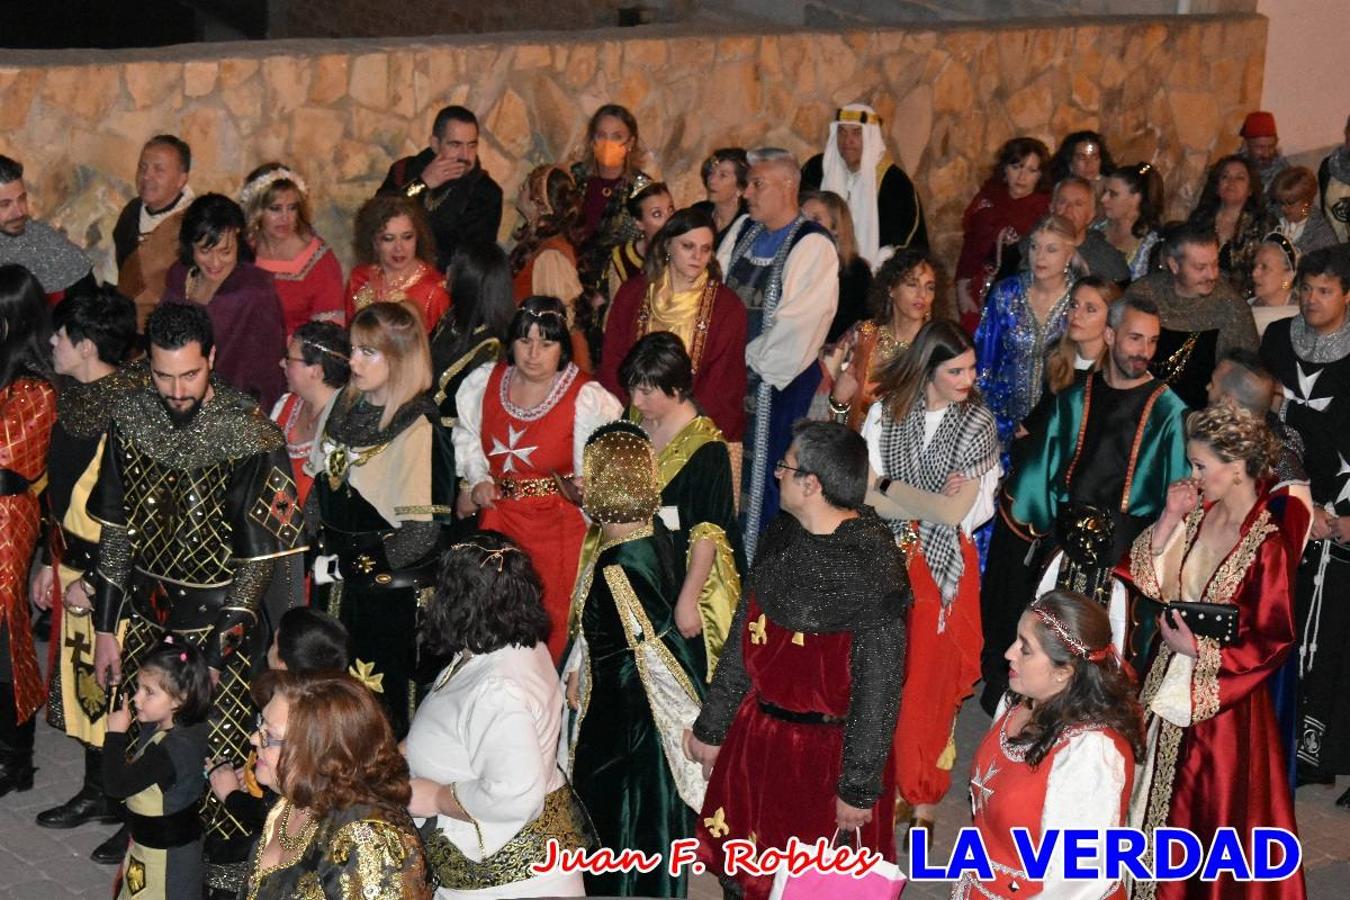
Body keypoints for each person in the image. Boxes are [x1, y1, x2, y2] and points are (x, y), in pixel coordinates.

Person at [87, 302, 305, 865]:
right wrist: (106, 629)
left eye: (190, 373)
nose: (177, 389)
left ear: (211, 357)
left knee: (219, 758)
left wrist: (215, 655)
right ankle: (148, 835)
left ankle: (222, 873)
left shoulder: (251, 435)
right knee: (146, 742)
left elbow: (257, 564)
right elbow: (116, 532)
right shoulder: (131, 415)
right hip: (146, 619)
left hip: (219, 630)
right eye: (163, 375)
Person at [685, 421, 907, 900]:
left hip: (825, 762)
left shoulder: (873, 569)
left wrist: (858, 787)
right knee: (741, 881)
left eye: (785, 466)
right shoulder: (782, 537)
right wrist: (713, 726)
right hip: (757, 740)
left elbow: (879, 690)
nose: (777, 475)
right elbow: (743, 642)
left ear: (811, 484)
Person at [1119, 403, 1306, 900]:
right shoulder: (1199, 512)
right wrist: (1168, 518)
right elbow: (1150, 580)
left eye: (1201, 466)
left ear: (1239, 466)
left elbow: (1273, 640)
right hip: (1166, 681)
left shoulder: (1268, 544)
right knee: (1148, 797)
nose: (1193, 476)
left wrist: (1200, 651)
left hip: (1222, 709)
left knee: (1204, 814)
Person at [979, 295, 1190, 711]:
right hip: (1065, 555)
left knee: (1109, 665)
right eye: (1134, 338)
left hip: (1126, 562)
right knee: (1050, 648)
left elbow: (1176, 496)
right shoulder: (1075, 398)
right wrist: (1034, 522)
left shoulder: (1169, 412)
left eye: (1152, 341)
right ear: (1110, 336)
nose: (1143, 351)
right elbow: (1042, 473)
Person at [863, 322, 1001, 836]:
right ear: (928, 369)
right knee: (881, 674)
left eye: (970, 368)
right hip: (883, 556)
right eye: (956, 370)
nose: (968, 378)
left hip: (943, 569)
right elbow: (863, 494)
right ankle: (878, 786)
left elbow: (958, 513)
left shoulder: (978, 423)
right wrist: (925, 500)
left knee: (930, 683)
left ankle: (921, 792)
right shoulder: (885, 411)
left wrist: (890, 486)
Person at [561, 421, 707, 898]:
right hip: (623, 711)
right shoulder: (651, 533)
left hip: (624, 728)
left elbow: (657, 653)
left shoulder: (619, 564)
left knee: (622, 835)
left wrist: (693, 723)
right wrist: (582, 664)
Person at [406, 534, 588, 898]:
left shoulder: (499, 689)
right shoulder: (494, 646)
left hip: (509, 880)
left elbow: (515, 796)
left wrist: (435, 798)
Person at [453, 296, 622, 662]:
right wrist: (477, 478)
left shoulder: (586, 398)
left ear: (562, 347)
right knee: (493, 615)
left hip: (559, 530)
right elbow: (468, 438)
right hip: (499, 523)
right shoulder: (484, 383)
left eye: (546, 343)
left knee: (552, 620)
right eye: (524, 341)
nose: (533, 353)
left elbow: (596, 477)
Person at [310, 302, 449, 738]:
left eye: (368, 352)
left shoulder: (419, 427)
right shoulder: (340, 405)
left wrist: (349, 566)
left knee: (377, 713)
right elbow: (322, 487)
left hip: (387, 599)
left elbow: (420, 534)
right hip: (333, 586)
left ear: (400, 357)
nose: (352, 362)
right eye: (353, 349)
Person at [31, 286, 138, 836]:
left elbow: (136, 519)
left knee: (121, 688)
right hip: (70, 564)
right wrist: (51, 563)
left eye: (62, 335)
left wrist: (97, 583)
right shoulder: (70, 395)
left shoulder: (131, 414)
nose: (52, 341)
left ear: (88, 346)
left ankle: (129, 805)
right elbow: (61, 495)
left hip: (115, 578)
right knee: (80, 693)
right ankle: (98, 793)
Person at [957, 591, 1143, 900]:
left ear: (1064, 672)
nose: (1008, 654)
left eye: (1025, 649)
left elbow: (1079, 881)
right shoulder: (1016, 703)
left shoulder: (1089, 752)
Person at [1260, 246, 1350, 803]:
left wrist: (1337, 515)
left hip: (1342, 511)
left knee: (1336, 636)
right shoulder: (1275, 340)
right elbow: (1264, 425)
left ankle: (1332, 750)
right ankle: (1282, 744)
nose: (1311, 300)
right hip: (1290, 502)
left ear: (1347, 296)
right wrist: (1297, 503)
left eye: (1324, 291)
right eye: (1307, 289)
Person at [718, 147, 838, 558]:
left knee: (766, 494)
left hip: (778, 393)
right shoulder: (743, 233)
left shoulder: (812, 246)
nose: (746, 192)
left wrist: (741, 360)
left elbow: (800, 324)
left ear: (788, 185)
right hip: (731, 388)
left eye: (757, 183)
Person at [620, 334, 745, 678]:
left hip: (678, 571)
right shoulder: (632, 419)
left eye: (647, 391)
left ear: (675, 389)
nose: (636, 399)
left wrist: (687, 601)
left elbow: (709, 534)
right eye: (633, 388)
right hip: (634, 562)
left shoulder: (708, 450)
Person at [240, 673, 430, 898]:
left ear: (318, 753)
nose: (253, 738)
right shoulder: (293, 801)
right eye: (261, 723)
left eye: (268, 734)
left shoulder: (369, 840)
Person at [204, 609, 352, 898]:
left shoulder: (296, 720)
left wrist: (231, 795)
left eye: (274, 642)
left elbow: (283, 817)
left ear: (282, 661)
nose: (255, 738)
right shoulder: (335, 707)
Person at [600, 207, 748, 441]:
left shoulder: (727, 308)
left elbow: (723, 384)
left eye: (706, 249)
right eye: (688, 246)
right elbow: (613, 361)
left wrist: (677, 424)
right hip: (634, 420)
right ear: (668, 245)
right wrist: (630, 416)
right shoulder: (633, 294)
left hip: (694, 431)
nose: (697, 257)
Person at [0, 265, 56, 799]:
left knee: (6, 636)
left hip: (8, 521)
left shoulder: (35, 388)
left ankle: (16, 758)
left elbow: (8, 465)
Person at [103, 639, 211, 900]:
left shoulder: (171, 750)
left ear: (180, 699)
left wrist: (115, 735)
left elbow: (116, 786)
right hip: (149, 848)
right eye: (139, 687)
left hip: (167, 861)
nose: (137, 698)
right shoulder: (172, 726)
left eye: (149, 692)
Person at [160, 192, 288, 409]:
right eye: (205, 251)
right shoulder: (178, 277)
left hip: (231, 413)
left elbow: (268, 376)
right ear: (190, 246)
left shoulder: (255, 292)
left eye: (225, 251)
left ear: (239, 240)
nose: (215, 262)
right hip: (173, 399)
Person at [1124, 223, 1259, 408]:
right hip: (1139, 407)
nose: (1211, 274)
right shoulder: (1143, 295)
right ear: (1174, 265)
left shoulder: (1231, 308)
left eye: (1214, 264)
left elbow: (1242, 383)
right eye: (1200, 267)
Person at [976, 214, 1079, 453]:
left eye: (1051, 249)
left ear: (1069, 255)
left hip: (1059, 421)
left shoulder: (1080, 299)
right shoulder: (1006, 293)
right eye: (1034, 247)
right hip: (1004, 419)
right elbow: (985, 358)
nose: (1040, 257)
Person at [378, 104, 503, 270]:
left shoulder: (486, 193)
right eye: (455, 145)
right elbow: (378, 219)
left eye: (472, 145)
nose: (465, 155)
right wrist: (421, 184)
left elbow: (471, 261)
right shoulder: (404, 171)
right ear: (435, 144)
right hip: (391, 278)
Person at [800, 102, 928, 265]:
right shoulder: (816, 169)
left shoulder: (894, 183)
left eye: (856, 133)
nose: (848, 140)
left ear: (870, 136)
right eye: (842, 132)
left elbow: (901, 242)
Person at [826, 248, 938, 432]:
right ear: (891, 289)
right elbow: (835, 427)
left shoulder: (938, 346)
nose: (922, 295)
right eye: (912, 284)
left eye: (930, 287)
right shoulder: (863, 336)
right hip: (857, 452)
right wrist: (838, 401)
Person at [955, 138, 1052, 334]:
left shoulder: (1045, 211)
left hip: (1025, 298)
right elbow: (969, 250)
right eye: (1016, 166)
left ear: (1039, 176)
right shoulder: (987, 202)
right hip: (979, 294)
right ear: (1005, 169)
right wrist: (961, 289)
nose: (1022, 176)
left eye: (1031, 170)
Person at [431, 241, 513, 461]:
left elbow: (477, 423)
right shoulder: (451, 320)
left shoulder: (489, 348)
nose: (446, 272)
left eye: (453, 267)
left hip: (452, 453)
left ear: (468, 280)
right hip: (428, 440)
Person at [1014, 276, 1117, 452]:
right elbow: (1045, 410)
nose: (1076, 315)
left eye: (1090, 309)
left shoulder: (1114, 373)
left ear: (1111, 319)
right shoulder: (1057, 357)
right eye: (1074, 305)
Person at [241, 162, 345, 335]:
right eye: (275, 209)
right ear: (256, 210)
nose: (285, 218)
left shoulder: (319, 261)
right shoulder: (240, 250)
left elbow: (330, 334)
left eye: (292, 208)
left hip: (298, 358)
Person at [570, 104, 652, 299]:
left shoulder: (642, 189)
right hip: (570, 287)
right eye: (601, 135)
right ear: (592, 140)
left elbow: (650, 248)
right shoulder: (575, 179)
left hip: (618, 293)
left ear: (630, 142)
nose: (608, 143)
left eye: (617, 137)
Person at [113, 135, 194, 328]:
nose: (146, 176)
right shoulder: (131, 213)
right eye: (142, 167)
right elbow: (113, 276)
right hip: (127, 327)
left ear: (182, 179)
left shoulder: (193, 222)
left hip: (174, 328)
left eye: (159, 169)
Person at [272, 320, 350, 508]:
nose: (282, 363)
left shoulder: (345, 425)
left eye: (289, 358)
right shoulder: (285, 405)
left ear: (316, 370)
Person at [344, 195, 450, 331]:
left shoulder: (436, 291)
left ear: (418, 237)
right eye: (388, 239)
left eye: (407, 237)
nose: (399, 248)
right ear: (374, 242)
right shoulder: (358, 278)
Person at [0, 155, 95, 303]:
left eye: (22, 199)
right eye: (5, 204)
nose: (19, 212)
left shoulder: (45, 241)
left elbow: (86, 303)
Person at [1187, 154, 1272, 297]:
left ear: (1250, 189)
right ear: (1216, 186)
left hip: (1245, 301)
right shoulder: (1200, 218)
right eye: (1225, 177)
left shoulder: (1263, 223)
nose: (1231, 182)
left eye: (1240, 178)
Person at [801, 189, 873, 343]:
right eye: (801, 217)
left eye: (815, 219)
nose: (804, 225)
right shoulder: (791, 263)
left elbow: (869, 323)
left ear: (836, 228)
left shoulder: (856, 270)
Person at [509, 164, 584, 306]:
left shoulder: (551, 255)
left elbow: (556, 315)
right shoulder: (540, 244)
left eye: (525, 187)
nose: (519, 189)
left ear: (538, 203)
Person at [605, 181, 675, 302]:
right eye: (657, 214)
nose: (669, 220)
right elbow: (617, 310)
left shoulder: (684, 251)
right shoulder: (623, 259)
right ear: (639, 222)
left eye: (670, 209)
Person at [1096, 162, 1166, 282]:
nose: (1103, 199)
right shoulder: (1097, 229)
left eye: (1113, 194)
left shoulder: (1152, 244)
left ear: (1136, 198)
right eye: (1104, 192)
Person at [1271, 166, 1339, 256]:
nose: (1283, 208)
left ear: (1307, 201)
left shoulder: (1321, 234)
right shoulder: (1273, 217)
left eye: (1290, 203)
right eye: (1281, 202)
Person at [691, 147, 749, 247]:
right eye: (711, 173)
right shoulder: (698, 213)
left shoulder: (749, 225)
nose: (712, 181)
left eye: (723, 175)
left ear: (740, 188)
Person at [1248, 232, 1301, 337]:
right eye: (1255, 266)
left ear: (1288, 276)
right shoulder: (1244, 311)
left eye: (1264, 267)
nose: (1254, 273)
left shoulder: (1302, 316)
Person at [1238, 110, 1291, 195]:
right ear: (1246, 145)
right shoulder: (1232, 171)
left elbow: (1305, 205)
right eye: (1260, 147)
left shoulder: (1285, 172)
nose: (1266, 154)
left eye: (1271, 146)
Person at [1048, 130, 1116, 195]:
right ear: (1070, 162)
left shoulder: (1111, 188)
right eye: (1082, 158)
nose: (1089, 163)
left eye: (1095, 158)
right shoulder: (1059, 190)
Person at [1317, 113, 1350, 243]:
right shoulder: (1329, 166)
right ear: (1345, 132)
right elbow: (1310, 207)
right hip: (1332, 248)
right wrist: (1303, 212)